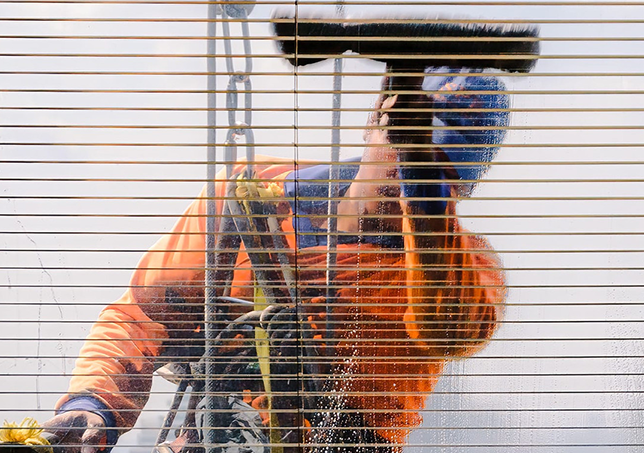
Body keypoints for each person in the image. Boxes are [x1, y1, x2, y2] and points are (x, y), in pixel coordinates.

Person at [42, 67, 510, 453]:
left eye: (442, 170)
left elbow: (453, 326)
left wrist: (425, 203)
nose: (414, 176)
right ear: (378, 115)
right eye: (409, 148)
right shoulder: (250, 194)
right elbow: (147, 317)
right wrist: (93, 404)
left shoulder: (469, 270)